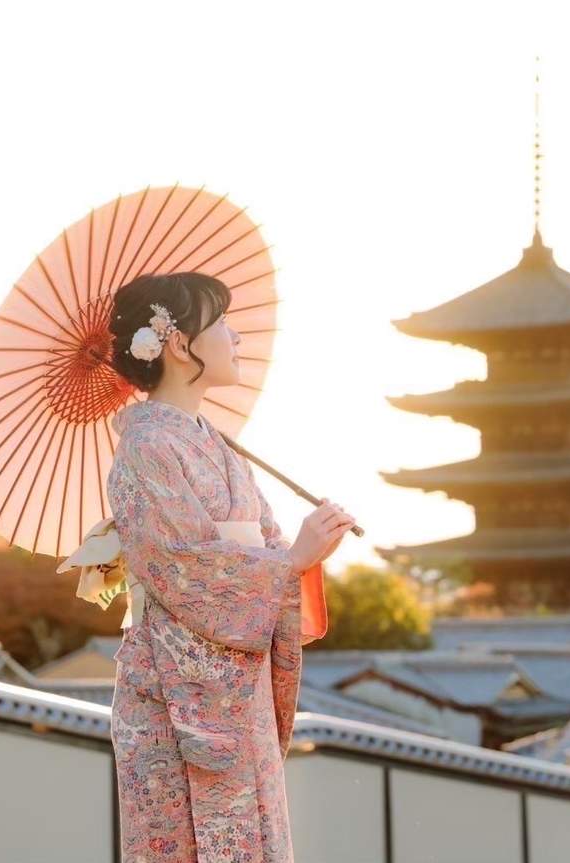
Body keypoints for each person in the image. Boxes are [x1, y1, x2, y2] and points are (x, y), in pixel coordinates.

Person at [105, 271, 355, 863]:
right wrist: (289, 559)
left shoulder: (214, 444)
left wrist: (303, 554)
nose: (235, 336)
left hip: (235, 687)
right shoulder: (147, 447)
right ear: (176, 342)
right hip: (173, 689)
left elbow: (265, 545)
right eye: (219, 322)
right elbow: (181, 565)